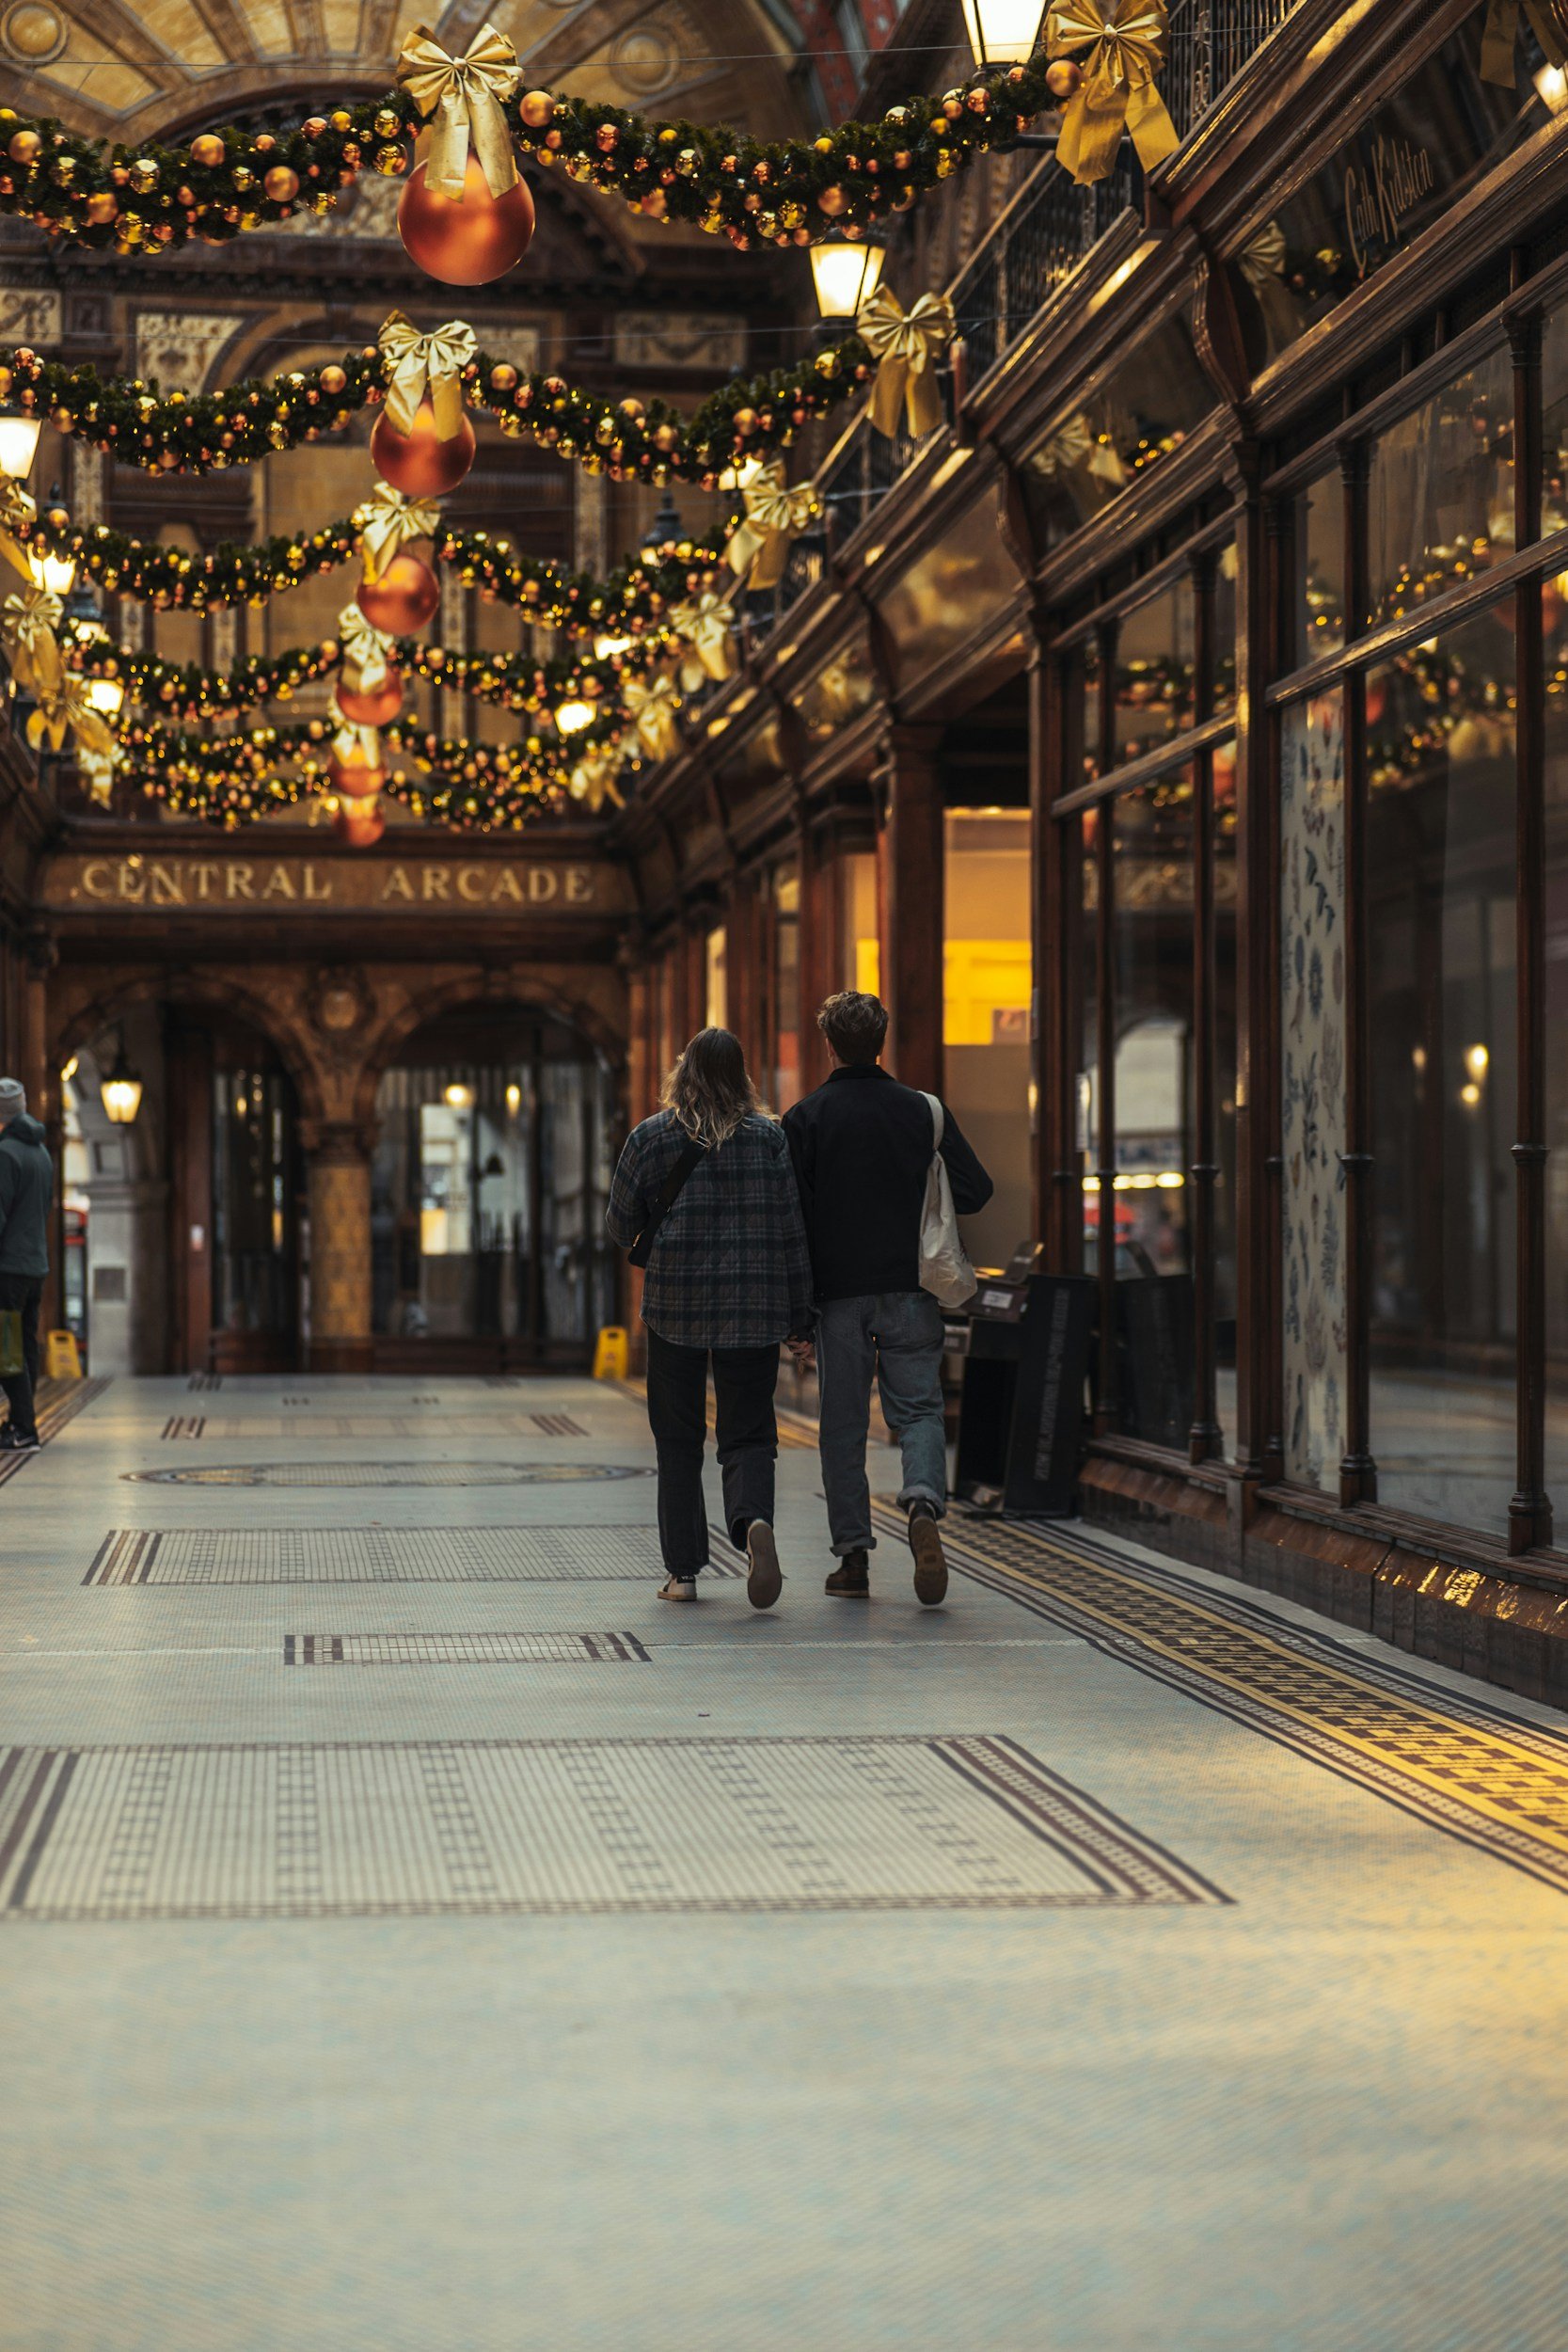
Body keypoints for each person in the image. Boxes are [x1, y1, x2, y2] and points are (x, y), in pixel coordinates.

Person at [784, 992, 992, 1606]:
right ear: (882, 1042)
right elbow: (975, 1190)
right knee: (920, 1409)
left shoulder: (806, 1118)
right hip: (911, 1287)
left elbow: (793, 1221)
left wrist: (796, 1314)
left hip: (837, 1295)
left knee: (843, 1426)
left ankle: (852, 1560)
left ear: (829, 1044)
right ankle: (923, 1503)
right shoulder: (923, 1111)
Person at [606, 1027, 814, 1609]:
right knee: (749, 1432)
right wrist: (800, 1318)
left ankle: (683, 1573)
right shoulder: (770, 1139)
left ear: (684, 1073)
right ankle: (753, 1524)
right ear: (742, 1077)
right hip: (754, 1308)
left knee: (678, 1440)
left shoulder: (650, 1136)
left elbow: (619, 1226)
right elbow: (793, 1231)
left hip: (676, 1309)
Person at [0, 1078, 54, 1454]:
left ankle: (23, 1429)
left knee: (6, 1347)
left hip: (8, 1269)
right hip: (34, 1266)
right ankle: (23, 1421)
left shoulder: (5, 1154)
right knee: (26, 1345)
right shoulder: (41, 1153)